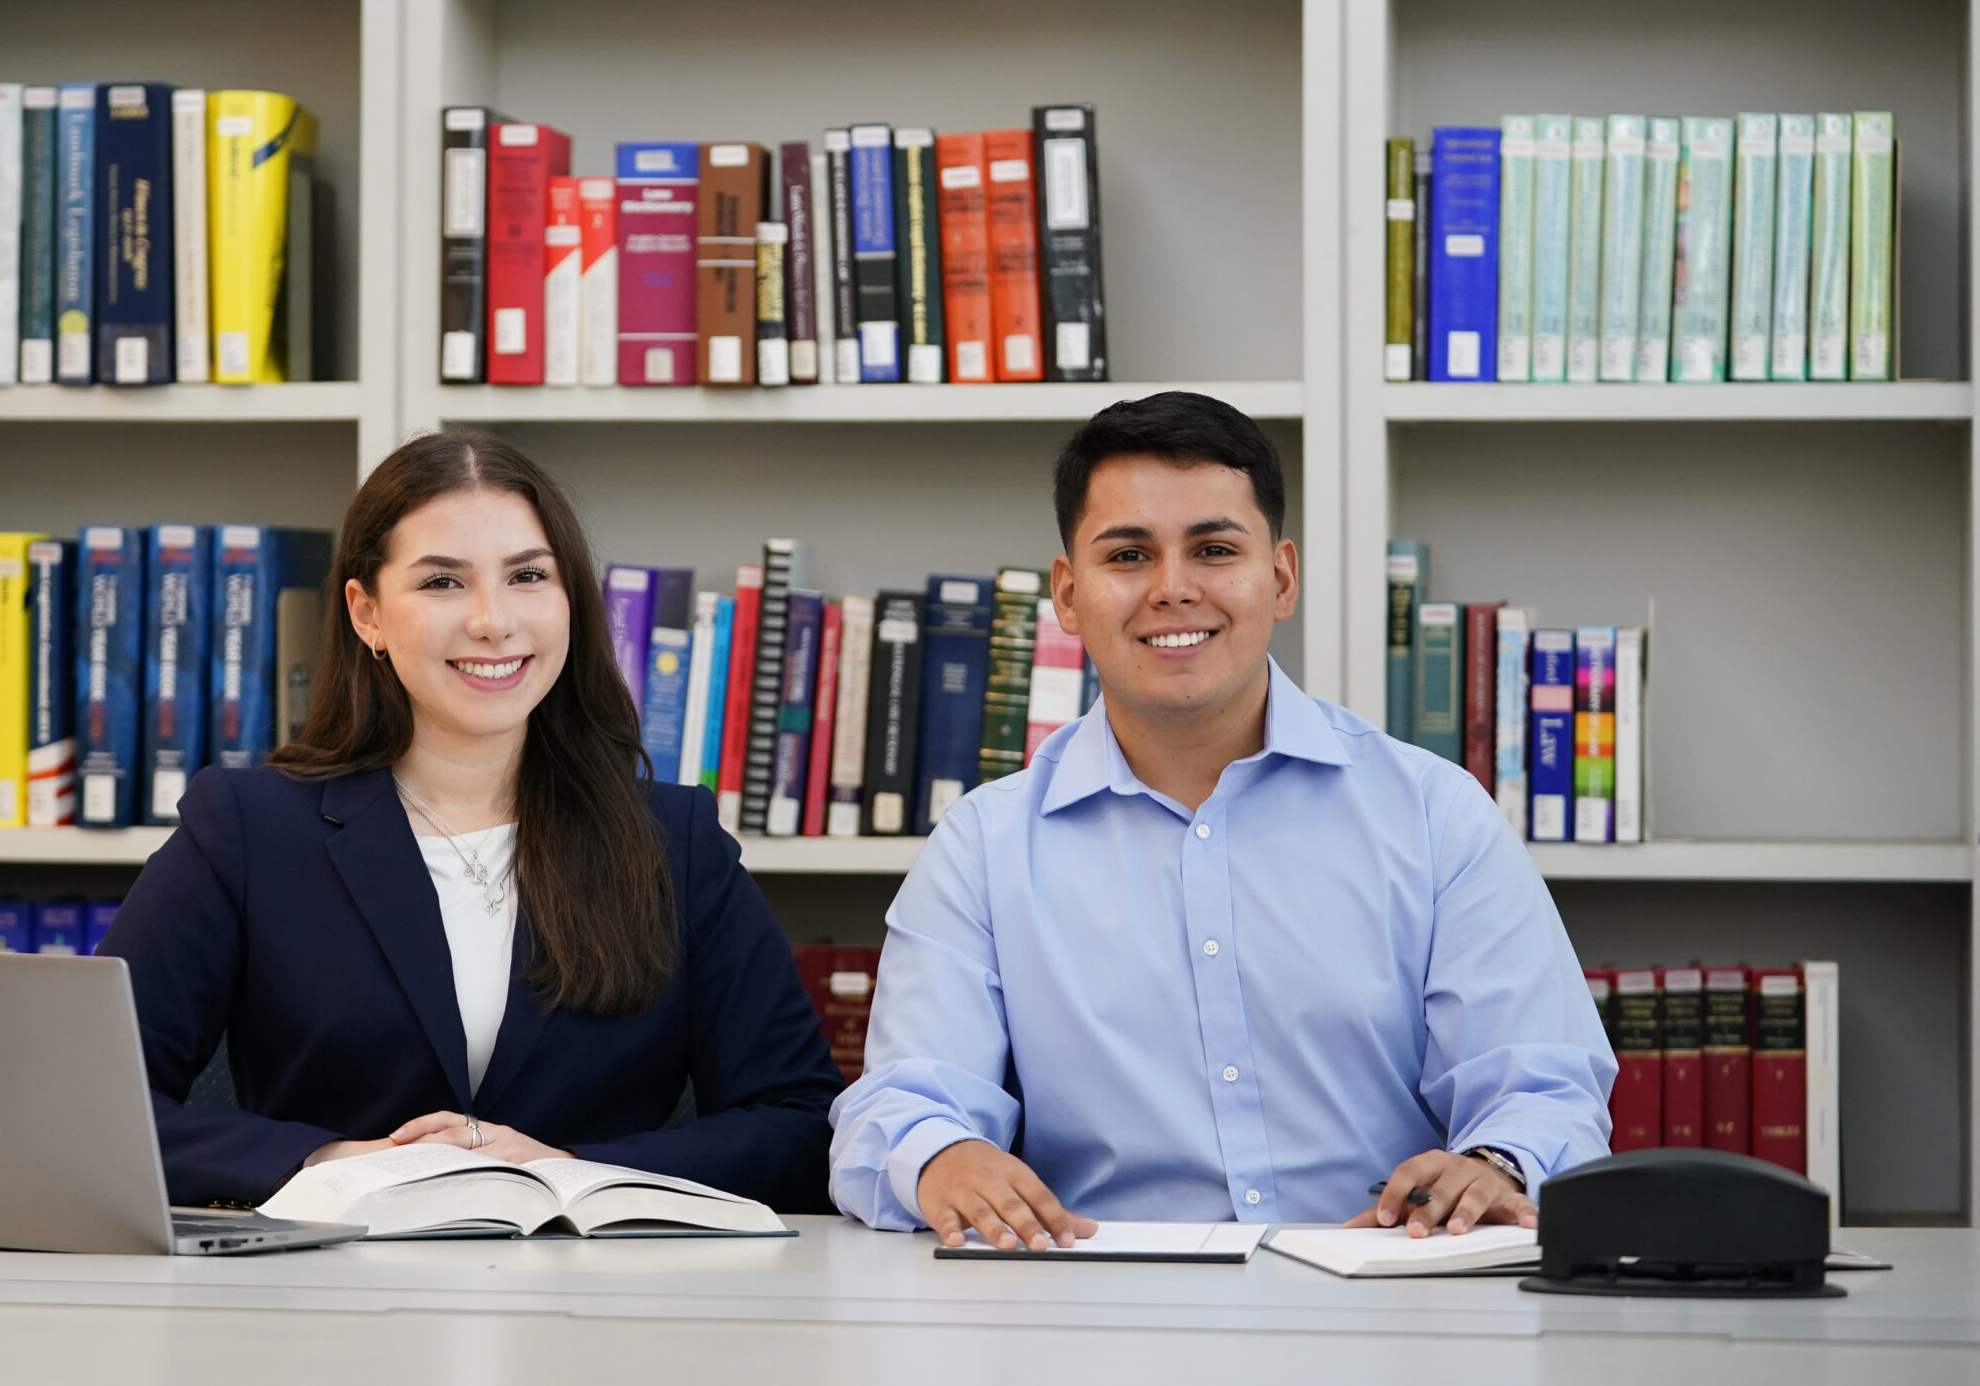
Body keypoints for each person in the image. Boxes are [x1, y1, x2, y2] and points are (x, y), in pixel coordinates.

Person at [829, 392, 1615, 1249]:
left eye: (1213, 549)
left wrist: (1496, 1164)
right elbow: (898, 1106)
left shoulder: (1434, 815)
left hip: (1384, 1302)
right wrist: (942, 1155)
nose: (1173, 588)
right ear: (1067, 594)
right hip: (1096, 1315)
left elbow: (1545, 1090)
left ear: (1279, 578)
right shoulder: (983, 848)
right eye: (1128, 553)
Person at [102, 431, 841, 1211]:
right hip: (318, 1294)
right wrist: (336, 1161)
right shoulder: (249, 829)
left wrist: (566, 1169)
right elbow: (95, 1107)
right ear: (367, 614)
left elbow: (800, 1124)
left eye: (528, 575)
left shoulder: (675, 839)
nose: (494, 621)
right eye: (444, 583)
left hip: (599, 1300)